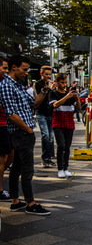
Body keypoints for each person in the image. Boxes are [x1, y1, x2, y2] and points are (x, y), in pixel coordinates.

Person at [0, 54, 50, 215]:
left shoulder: (19, 85)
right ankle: (30, 203)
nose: (26, 72)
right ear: (14, 67)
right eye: (24, 69)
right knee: (27, 169)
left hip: (23, 132)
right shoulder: (7, 86)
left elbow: (34, 103)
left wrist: (44, 91)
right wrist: (27, 129)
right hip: (21, 133)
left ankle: (15, 201)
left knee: (17, 167)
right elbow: (11, 113)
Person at [49, 73, 79, 179]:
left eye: (65, 82)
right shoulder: (53, 93)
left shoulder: (69, 94)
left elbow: (78, 107)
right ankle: (60, 168)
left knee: (67, 146)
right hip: (58, 122)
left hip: (69, 122)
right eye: (62, 82)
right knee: (61, 145)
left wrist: (76, 98)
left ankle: (66, 168)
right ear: (57, 83)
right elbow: (55, 105)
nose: (64, 85)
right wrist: (67, 96)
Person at [34, 65, 55, 168]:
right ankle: (44, 158)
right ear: (41, 74)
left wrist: (53, 90)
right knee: (45, 135)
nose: (48, 76)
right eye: (46, 74)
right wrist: (46, 89)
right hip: (41, 113)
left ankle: (49, 157)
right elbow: (38, 98)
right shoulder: (38, 84)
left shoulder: (52, 84)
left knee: (51, 137)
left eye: (49, 75)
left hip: (50, 113)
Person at [0, 56, 14, 201]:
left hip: (6, 123)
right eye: (4, 68)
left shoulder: (6, 83)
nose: (6, 71)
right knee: (2, 158)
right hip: (1, 124)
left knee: (10, 156)